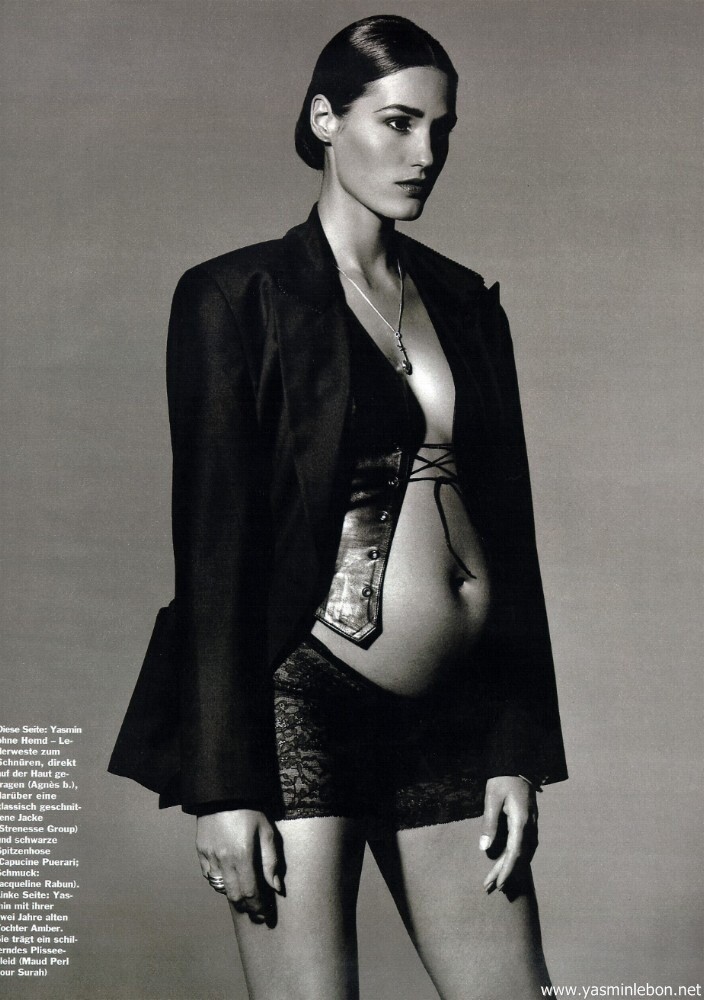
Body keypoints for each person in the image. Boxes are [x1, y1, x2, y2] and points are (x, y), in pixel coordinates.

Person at [109, 14, 567, 999]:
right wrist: (222, 787)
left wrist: (517, 747)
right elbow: (215, 553)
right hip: (300, 705)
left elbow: (511, 534)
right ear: (325, 118)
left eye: (441, 129)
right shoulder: (237, 298)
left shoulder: (462, 302)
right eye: (397, 123)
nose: (424, 154)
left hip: (459, 710)